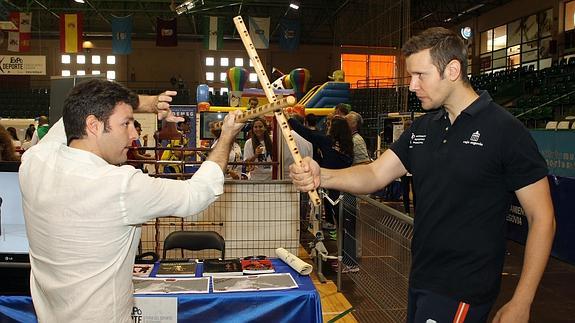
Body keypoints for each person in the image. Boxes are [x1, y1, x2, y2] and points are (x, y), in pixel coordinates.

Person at [290, 27, 555, 323]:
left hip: (463, 287)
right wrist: (321, 176)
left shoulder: (505, 131)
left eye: (420, 75)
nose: (413, 86)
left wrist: (522, 299)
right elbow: (376, 174)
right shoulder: (423, 128)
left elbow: (542, 218)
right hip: (422, 278)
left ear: (452, 70)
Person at [19, 79, 244, 322]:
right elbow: (198, 193)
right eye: (125, 124)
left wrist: (147, 104)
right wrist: (226, 137)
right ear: (93, 125)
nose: (134, 134)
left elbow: (73, 113)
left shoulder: (35, 161)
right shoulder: (120, 186)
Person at [288, 116, 353, 243]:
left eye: (329, 125)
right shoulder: (348, 144)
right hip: (347, 185)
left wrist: (290, 119)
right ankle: (346, 251)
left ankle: (341, 249)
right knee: (347, 221)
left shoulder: (327, 141)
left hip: (332, 183)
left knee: (337, 217)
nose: (327, 127)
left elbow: (307, 133)